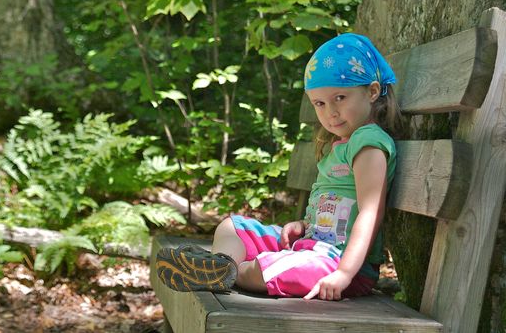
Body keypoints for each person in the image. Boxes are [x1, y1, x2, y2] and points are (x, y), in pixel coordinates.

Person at [155, 33, 403, 301]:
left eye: (340, 97)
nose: (330, 111)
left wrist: (344, 273)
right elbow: (331, 204)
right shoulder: (339, 146)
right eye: (319, 103)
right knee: (232, 226)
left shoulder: (368, 143)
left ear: (373, 91)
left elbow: (369, 212)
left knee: (278, 268)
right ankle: (221, 264)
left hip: (339, 264)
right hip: (309, 246)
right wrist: (303, 223)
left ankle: (227, 271)